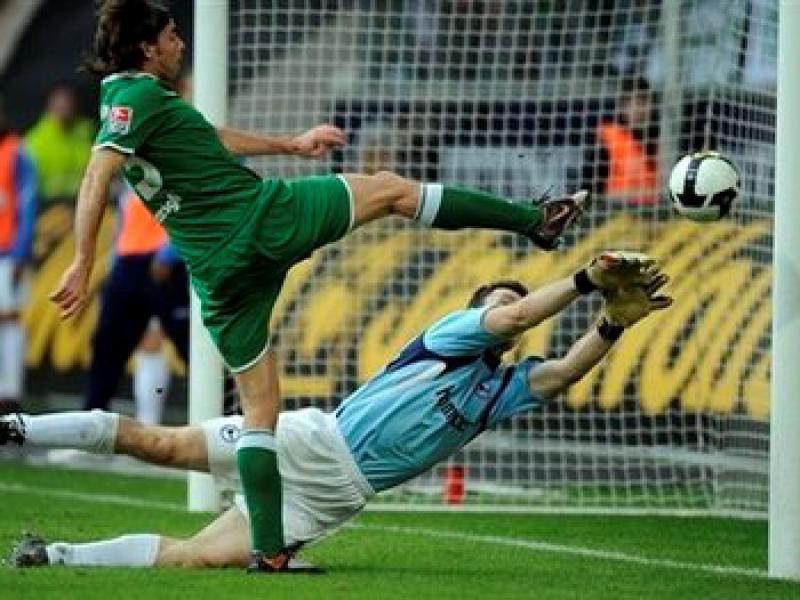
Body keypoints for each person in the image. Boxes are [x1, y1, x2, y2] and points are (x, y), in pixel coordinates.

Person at [49, 0, 587, 573]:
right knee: (391, 190)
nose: (181, 42)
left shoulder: (135, 100)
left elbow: (205, 138)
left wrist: (290, 144)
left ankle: (270, 551)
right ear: (146, 46)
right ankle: (534, 220)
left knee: (260, 412)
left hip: (216, 272)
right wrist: (82, 260)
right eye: (172, 34)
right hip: (258, 220)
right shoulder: (135, 98)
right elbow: (97, 174)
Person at [8, 251, 671, 570]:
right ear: (478, 313)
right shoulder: (452, 336)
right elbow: (520, 314)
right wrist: (585, 281)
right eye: (497, 302)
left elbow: (563, 372)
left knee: (195, 560)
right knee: (164, 445)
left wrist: (614, 321)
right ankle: (16, 428)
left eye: (509, 305)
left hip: (337, 497)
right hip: (314, 441)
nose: (507, 311)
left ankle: (54, 556)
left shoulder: (498, 389)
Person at [83, 185, 188, 423]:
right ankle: (90, 424)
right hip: (127, 263)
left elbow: (194, 206)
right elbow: (124, 219)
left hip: (166, 265)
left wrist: (169, 253)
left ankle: (230, 420)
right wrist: (115, 265)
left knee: (190, 348)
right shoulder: (129, 174)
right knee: (109, 350)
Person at [0, 96, 38, 407]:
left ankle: (11, 394)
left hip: (7, 251)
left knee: (10, 318)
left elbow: (28, 203)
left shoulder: (17, 150)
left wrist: (20, 253)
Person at [581, 76, 659, 206]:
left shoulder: (660, 140)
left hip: (654, 213)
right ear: (622, 106)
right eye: (633, 102)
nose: (639, 109)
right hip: (614, 212)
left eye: (644, 102)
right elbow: (590, 190)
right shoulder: (606, 138)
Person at [25, 83, 94, 207]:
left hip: (84, 200)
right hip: (48, 204)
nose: (64, 105)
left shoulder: (87, 131)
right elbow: (30, 185)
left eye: (68, 101)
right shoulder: (35, 139)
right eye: (59, 101)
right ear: (49, 104)